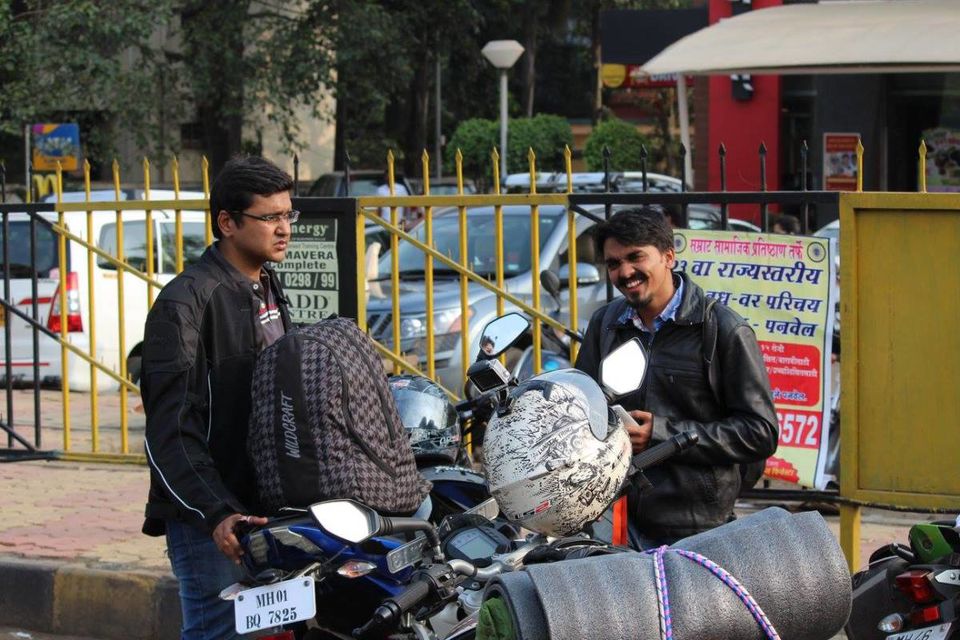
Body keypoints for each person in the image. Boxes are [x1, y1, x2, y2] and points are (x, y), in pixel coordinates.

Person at [140, 156, 295, 639]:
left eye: (289, 215)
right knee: (219, 633)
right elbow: (169, 432)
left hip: (264, 506)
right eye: (269, 217)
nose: (284, 228)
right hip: (213, 521)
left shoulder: (267, 284)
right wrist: (218, 511)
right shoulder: (184, 303)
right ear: (227, 222)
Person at [574, 208, 778, 549]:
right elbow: (581, 403)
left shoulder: (723, 329)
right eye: (613, 263)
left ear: (668, 256)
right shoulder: (606, 324)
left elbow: (759, 432)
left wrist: (660, 434)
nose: (625, 272)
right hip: (618, 519)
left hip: (697, 528)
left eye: (636, 257)